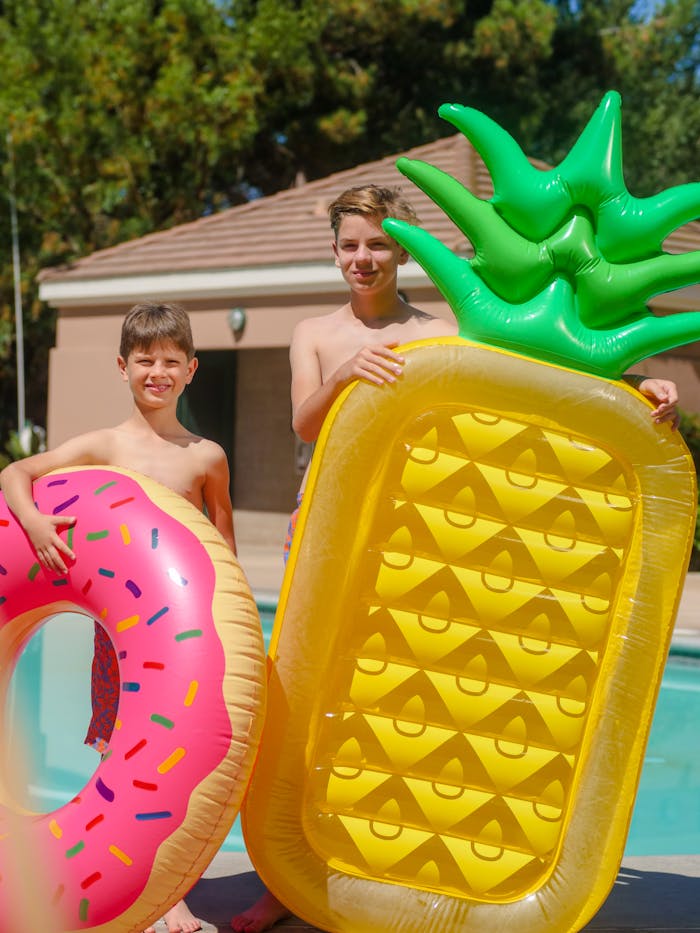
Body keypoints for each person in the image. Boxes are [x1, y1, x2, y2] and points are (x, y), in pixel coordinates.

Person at [229, 181, 682, 933]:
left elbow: (538, 388)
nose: (363, 258)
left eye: (377, 243)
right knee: (308, 695)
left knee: (394, 690)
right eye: (350, 244)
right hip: (322, 526)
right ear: (334, 250)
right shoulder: (314, 331)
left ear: (402, 248)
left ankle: (413, 859)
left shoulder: (443, 330)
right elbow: (305, 425)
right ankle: (287, 872)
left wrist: (639, 387)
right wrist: (348, 370)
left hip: (410, 534)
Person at [0, 301, 230, 933]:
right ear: (122, 367)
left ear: (191, 371)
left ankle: (170, 892)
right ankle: (132, 887)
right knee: (122, 754)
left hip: (188, 647)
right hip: (123, 643)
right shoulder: (104, 445)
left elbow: (225, 551)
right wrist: (37, 523)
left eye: (170, 362)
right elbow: (16, 472)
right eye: (144, 361)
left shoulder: (205, 457)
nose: (157, 372)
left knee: (183, 766)